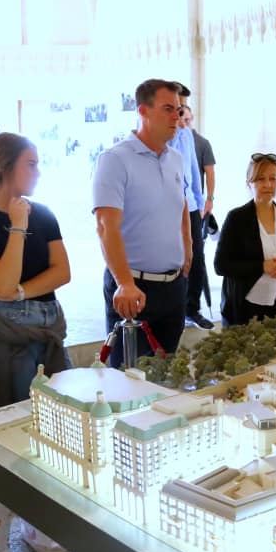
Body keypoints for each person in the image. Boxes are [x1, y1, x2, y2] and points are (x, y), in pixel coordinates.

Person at [0, 131, 71, 552]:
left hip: (46, 329)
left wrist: (19, 292)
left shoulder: (46, 213)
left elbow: (61, 272)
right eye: (31, 164)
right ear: (4, 167)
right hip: (1, 339)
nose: (38, 171)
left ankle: (33, 517)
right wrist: (18, 227)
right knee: (8, 426)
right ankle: (0, 509)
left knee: (51, 423)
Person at [92, 78, 192, 367]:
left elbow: (182, 203)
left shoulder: (175, 158)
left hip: (173, 287)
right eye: (168, 109)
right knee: (129, 378)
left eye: (179, 110)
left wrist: (187, 248)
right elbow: (105, 226)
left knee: (166, 374)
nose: (177, 117)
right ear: (143, 111)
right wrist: (124, 283)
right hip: (134, 288)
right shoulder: (115, 159)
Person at [214, 153, 276, 326]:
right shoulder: (236, 218)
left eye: (273, 179)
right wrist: (262, 266)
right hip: (247, 308)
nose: (268, 184)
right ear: (249, 182)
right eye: (261, 179)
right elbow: (221, 265)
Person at [170, 85, 213, 330]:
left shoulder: (187, 135)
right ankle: (175, 310)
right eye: (177, 108)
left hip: (192, 205)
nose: (181, 113)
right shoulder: (165, 136)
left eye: (183, 107)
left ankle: (192, 309)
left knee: (197, 257)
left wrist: (200, 200)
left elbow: (194, 171)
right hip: (169, 208)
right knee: (175, 259)